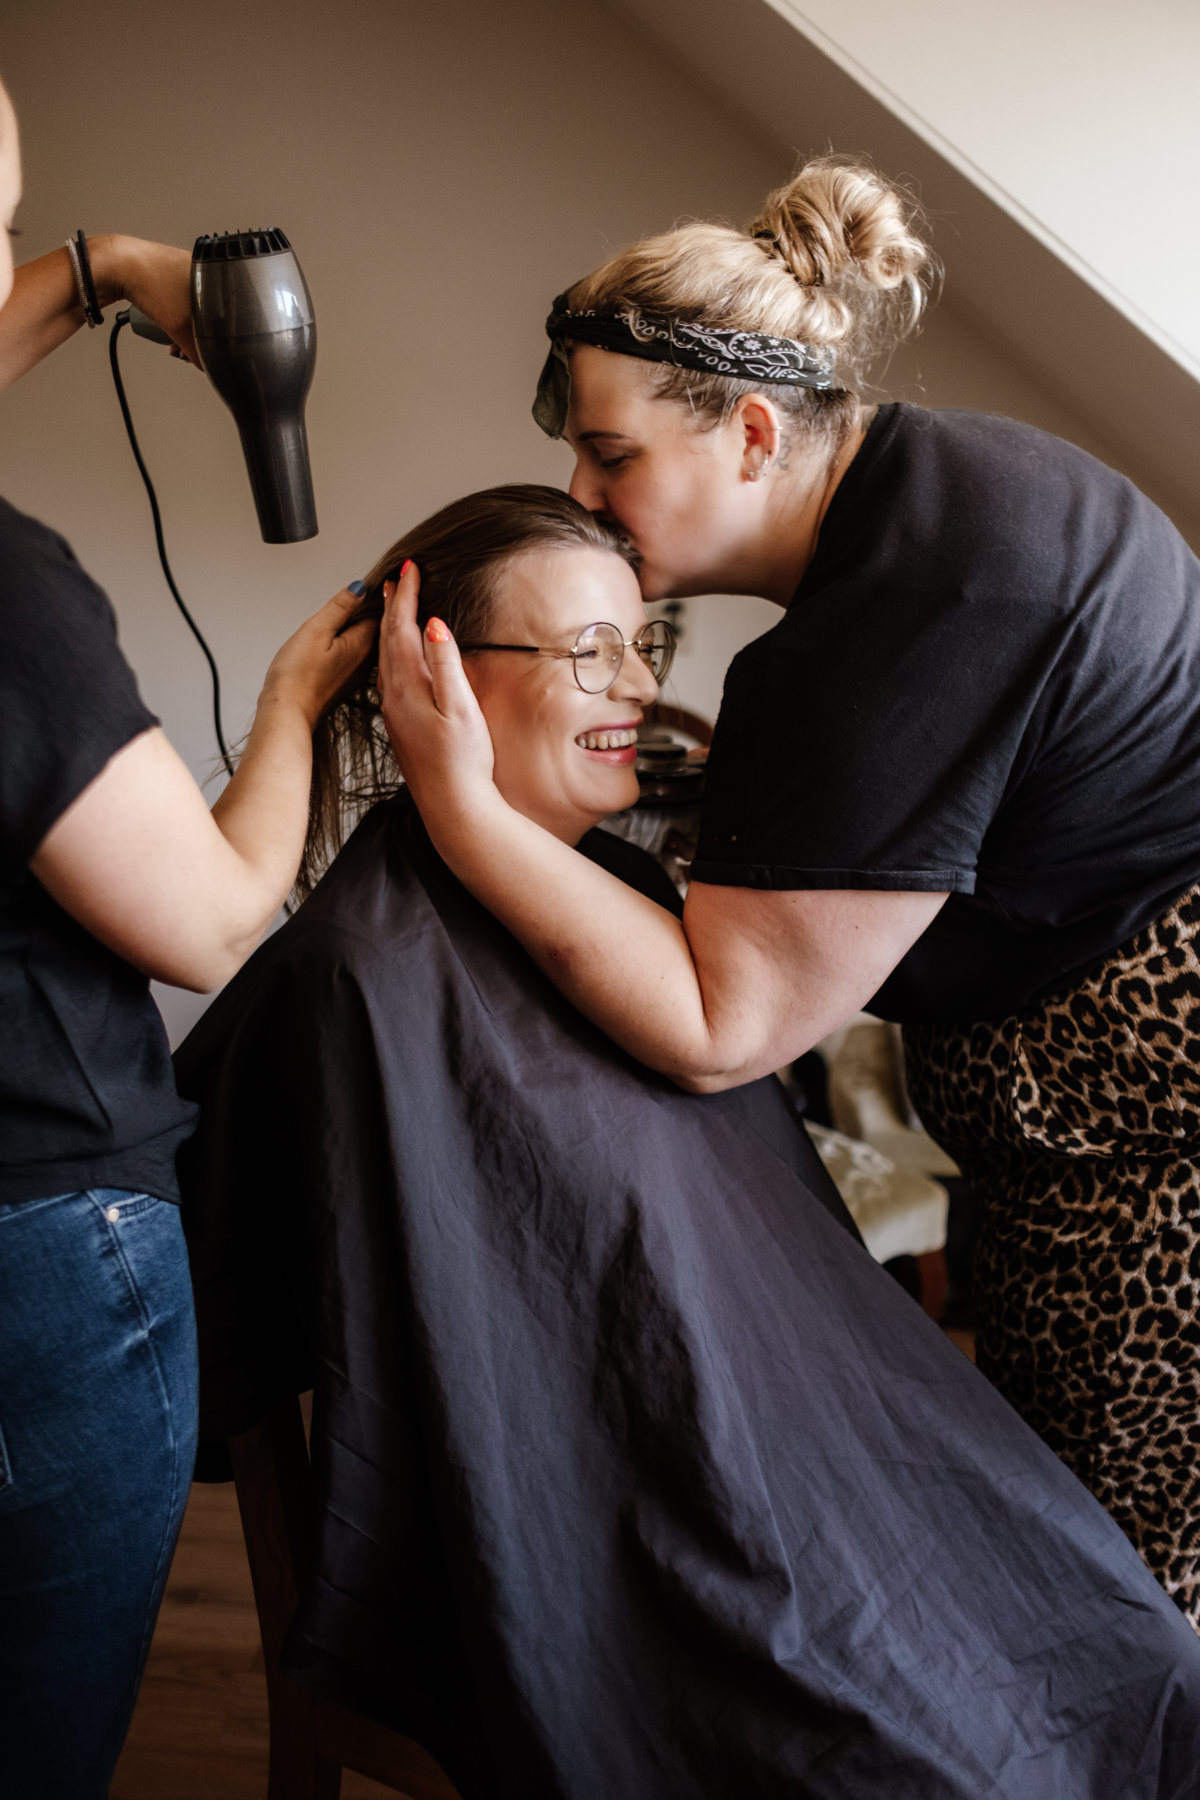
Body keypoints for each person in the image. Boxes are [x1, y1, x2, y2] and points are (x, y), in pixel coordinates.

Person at [177, 484, 1200, 1800]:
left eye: (641, 641)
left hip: (810, 1469)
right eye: (585, 649)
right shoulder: (361, 974)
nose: (632, 686)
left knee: (1142, 1661)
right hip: (640, 1531)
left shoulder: (646, 907)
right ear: (428, 667)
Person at [377, 157, 1200, 1629]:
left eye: (611, 456)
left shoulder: (908, 609)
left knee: (1128, 1606)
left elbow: (717, 1021)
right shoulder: (957, 486)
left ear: (753, 431)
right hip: (1078, 1142)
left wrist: (461, 802)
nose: (583, 494)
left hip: (1157, 1174)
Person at [0, 80, 375, 1798]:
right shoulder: (11, 602)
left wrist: (89, 276)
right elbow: (216, 918)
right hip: (37, 1254)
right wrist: (295, 697)